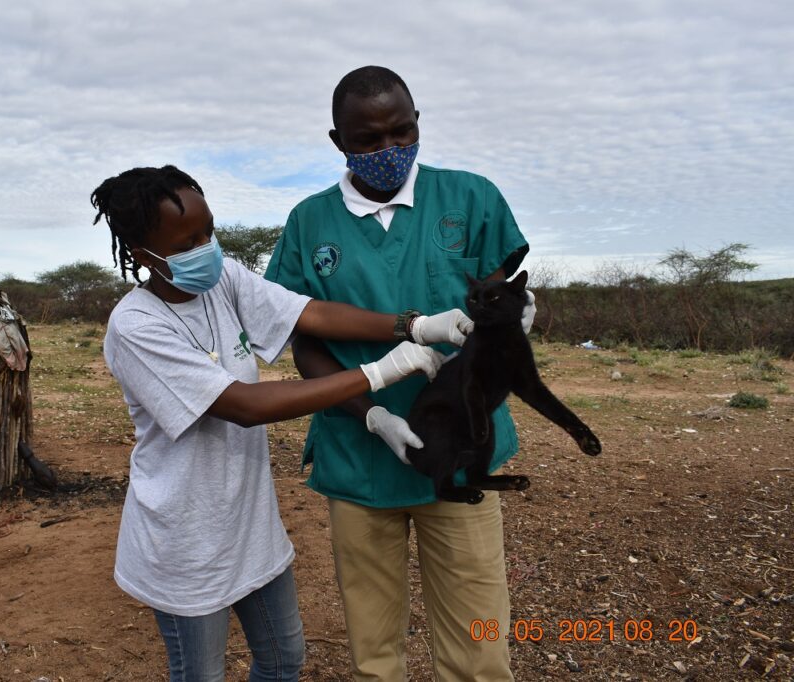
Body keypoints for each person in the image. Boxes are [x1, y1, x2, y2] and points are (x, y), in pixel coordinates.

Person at [91, 165, 475, 682]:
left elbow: (308, 314)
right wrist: (380, 373)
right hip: (186, 538)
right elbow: (245, 406)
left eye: (209, 232)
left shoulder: (222, 280)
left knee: (282, 659)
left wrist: (414, 325)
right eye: (188, 242)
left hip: (249, 526)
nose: (207, 248)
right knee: (200, 674)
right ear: (144, 254)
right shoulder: (137, 326)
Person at [265, 66, 534, 681]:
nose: (389, 150)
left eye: (402, 131)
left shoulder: (470, 197)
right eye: (368, 140)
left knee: (480, 646)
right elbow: (305, 343)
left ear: (417, 124)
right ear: (338, 141)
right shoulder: (310, 223)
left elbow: (497, 298)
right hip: (359, 460)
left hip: (463, 451)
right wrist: (373, 415)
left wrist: (516, 319)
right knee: (375, 650)